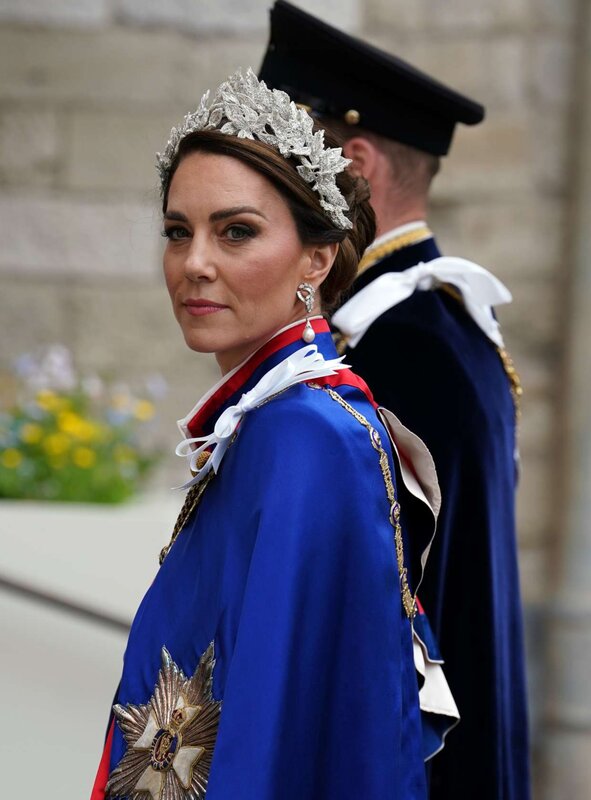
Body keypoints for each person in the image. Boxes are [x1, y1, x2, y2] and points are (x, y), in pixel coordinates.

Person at [90, 69, 443, 799]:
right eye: (177, 232)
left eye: (236, 232)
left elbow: (279, 723)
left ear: (316, 257)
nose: (195, 264)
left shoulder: (307, 436)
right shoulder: (271, 420)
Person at [257, 4, 529, 798]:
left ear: (358, 167)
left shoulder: (397, 344)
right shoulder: (423, 323)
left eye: (280, 163)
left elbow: (381, 614)